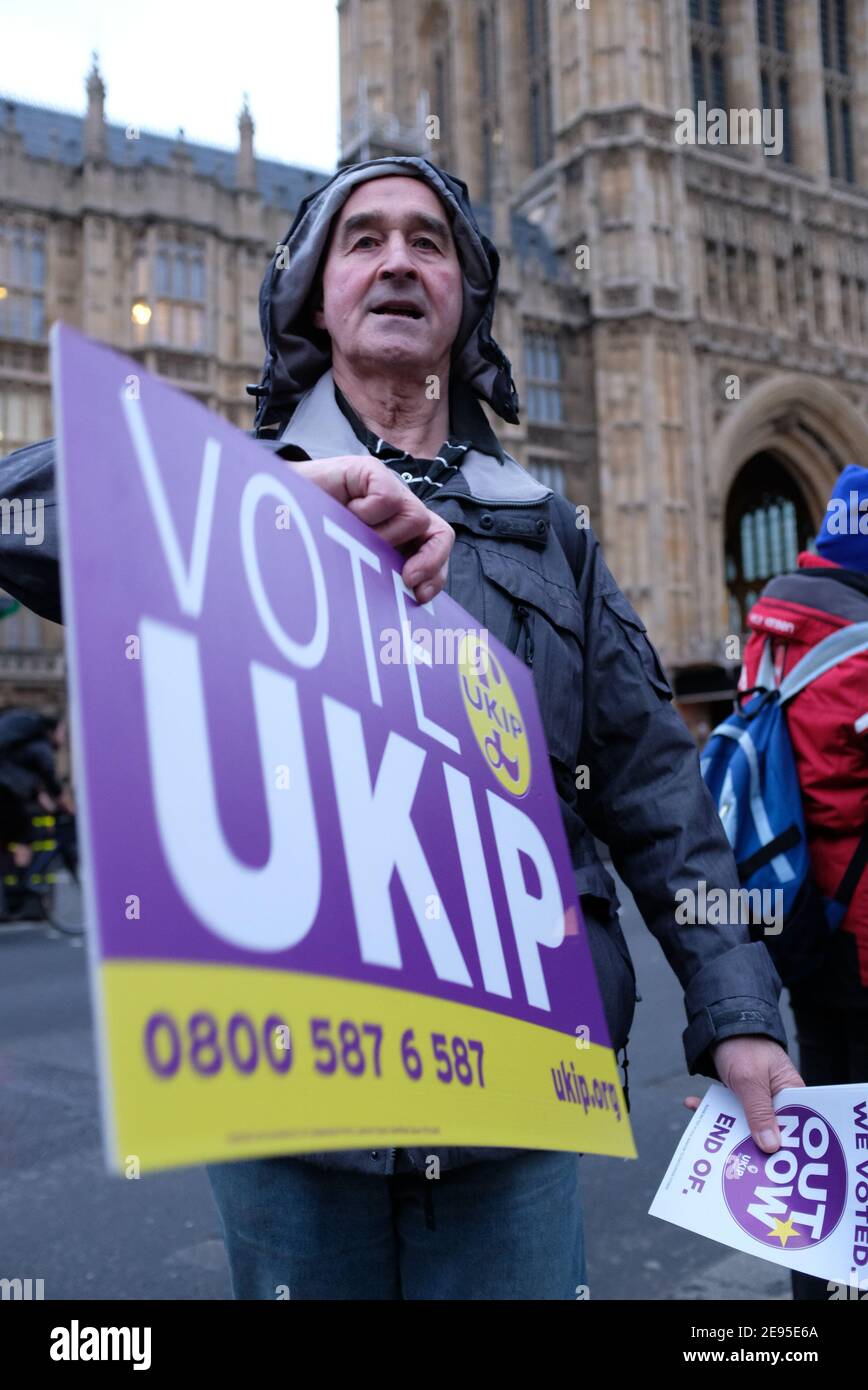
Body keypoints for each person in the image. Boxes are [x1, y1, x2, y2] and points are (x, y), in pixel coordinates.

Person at [0, 156, 801, 1300]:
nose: (397, 262)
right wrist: (258, 504)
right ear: (311, 295)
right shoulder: (232, 487)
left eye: (428, 242)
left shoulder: (547, 534)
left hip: (512, 1096)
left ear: (466, 298)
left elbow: (656, 790)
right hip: (291, 1088)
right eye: (361, 239)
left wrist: (736, 1014)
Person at [739, 464, 868, 1301]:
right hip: (861, 938)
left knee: (826, 1132)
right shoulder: (858, 649)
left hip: (801, 925)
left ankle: (822, 1291)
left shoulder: (774, 625)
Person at [0, 707, 66, 915]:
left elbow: (36, 786)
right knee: (24, 835)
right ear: (53, 730)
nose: (63, 737)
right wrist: (63, 804)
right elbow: (49, 779)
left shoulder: (19, 749)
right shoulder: (40, 746)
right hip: (6, 796)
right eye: (63, 731)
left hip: (8, 794)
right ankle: (17, 893)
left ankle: (13, 892)